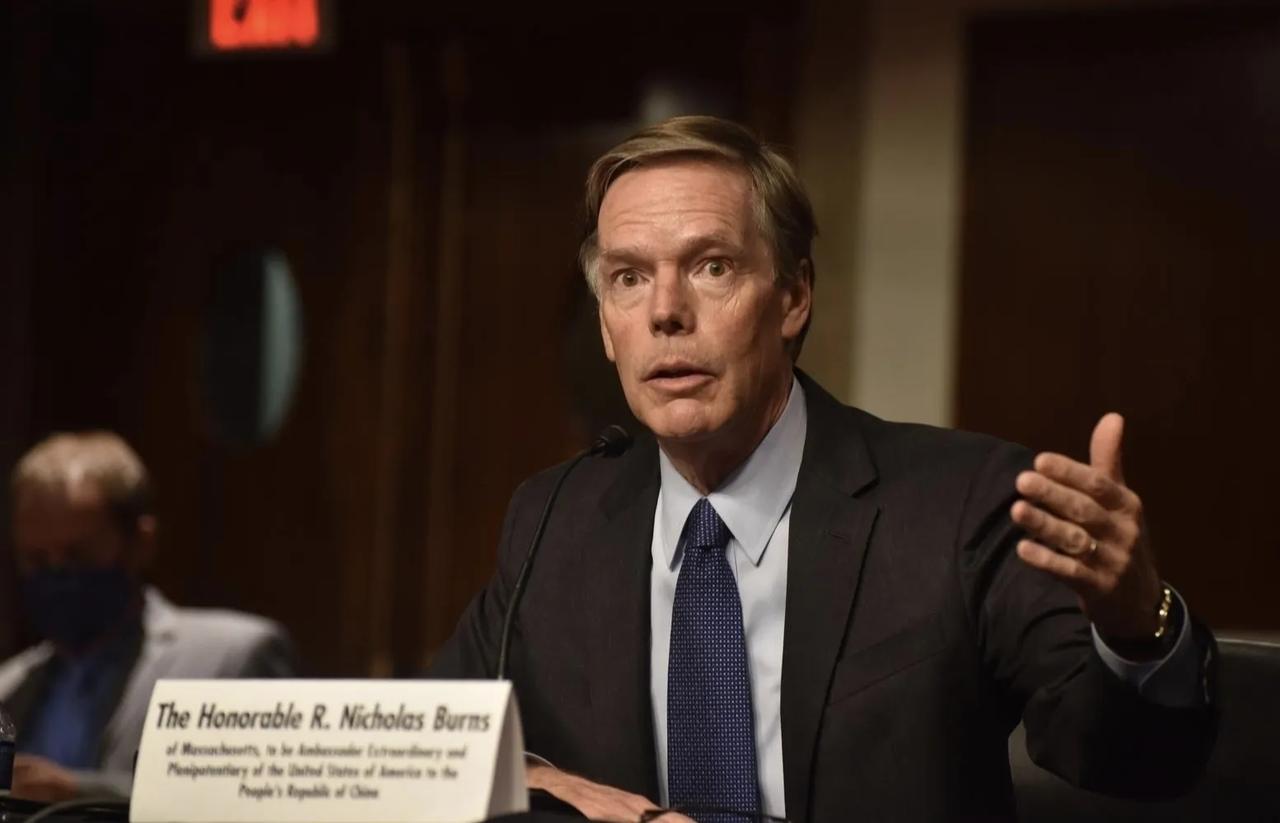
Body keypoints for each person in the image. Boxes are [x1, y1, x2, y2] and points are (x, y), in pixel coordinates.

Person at [430, 116, 1215, 822]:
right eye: (628, 278)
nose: (665, 311)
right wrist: (539, 779)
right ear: (607, 326)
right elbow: (422, 751)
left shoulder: (960, 504)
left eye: (711, 266)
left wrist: (1135, 627)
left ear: (794, 295)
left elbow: (1131, 762)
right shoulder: (556, 519)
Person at [0, 432, 296, 801]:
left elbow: (259, 795)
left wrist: (80, 795)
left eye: (77, 555)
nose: (57, 576)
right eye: (37, 560)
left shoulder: (231, 657)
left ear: (141, 543)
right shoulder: (9, 686)